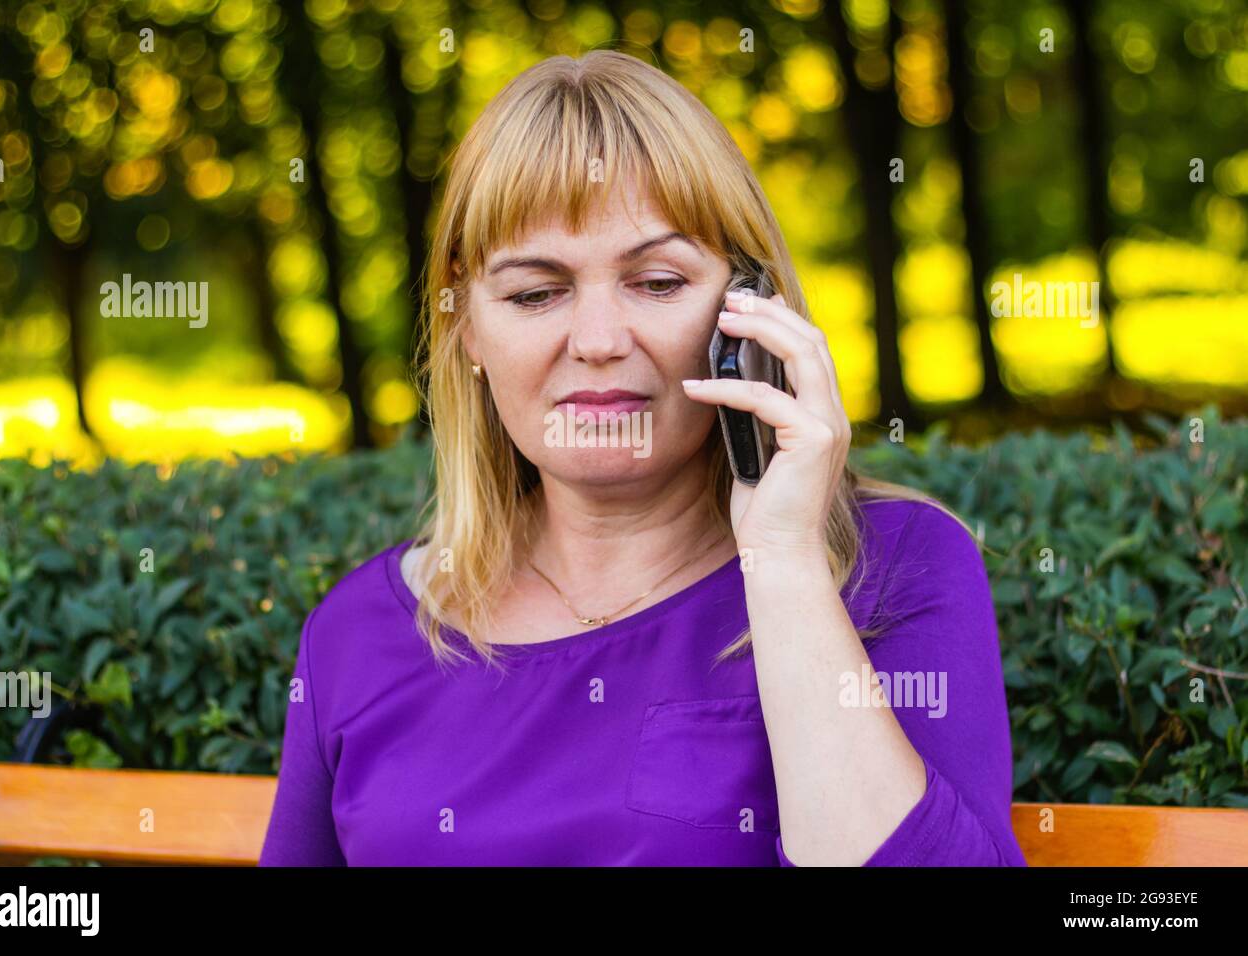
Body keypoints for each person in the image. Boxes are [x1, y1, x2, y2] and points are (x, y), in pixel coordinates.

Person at [259, 50, 1026, 867]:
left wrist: (783, 561)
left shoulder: (892, 569)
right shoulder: (357, 635)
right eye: (533, 294)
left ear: (749, 310)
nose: (597, 343)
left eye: (658, 283)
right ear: (466, 328)